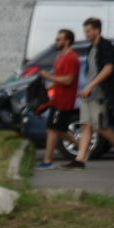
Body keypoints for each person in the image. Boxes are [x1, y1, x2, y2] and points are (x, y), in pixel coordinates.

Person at [70, 16, 114, 170]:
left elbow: (108, 68)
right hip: (88, 93)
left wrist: (91, 86)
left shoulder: (105, 46)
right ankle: (79, 160)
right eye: (85, 31)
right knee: (86, 126)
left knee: (100, 127)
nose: (86, 34)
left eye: (89, 31)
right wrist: (86, 87)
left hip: (100, 93)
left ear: (97, 30)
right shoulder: (91, 48)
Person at [37, 28, 80, 170]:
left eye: (59, 39)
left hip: (64, 101)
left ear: (67, 41)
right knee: (60, 129)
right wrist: (47, 89)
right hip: (57, 99)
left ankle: (47, 161)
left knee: (52, 129)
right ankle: (83, 149)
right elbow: (58, 79)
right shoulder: (60, 56)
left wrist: (48, 77)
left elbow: (68, 80)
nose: (56, 42)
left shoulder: (71, 58)